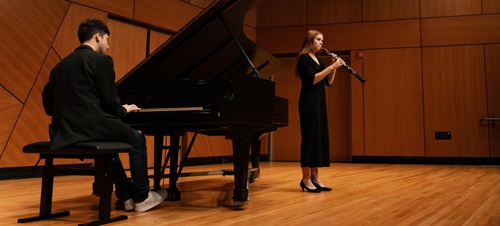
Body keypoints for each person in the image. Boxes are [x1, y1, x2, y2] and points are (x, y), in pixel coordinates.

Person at [42, 19, 167, 212]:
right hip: (92, 126)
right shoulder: (101, 61)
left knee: (110, 149)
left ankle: (126, 195)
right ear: (98, 36)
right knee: (138, 140)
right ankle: (142, 197)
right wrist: (124, 109)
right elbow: (110, 100)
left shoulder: (59, 67)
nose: (108, 45)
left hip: (64, 131)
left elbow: (49, 105)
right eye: (107, 39)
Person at [295, 30, 344, 193]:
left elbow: (328, 82)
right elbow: (312, 79)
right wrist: (332, 66)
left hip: (320, 103)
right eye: (319, 39)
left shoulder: (319, 60)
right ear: (310, 41)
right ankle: (305, 178)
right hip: (309, 102)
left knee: (319, 137)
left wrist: (334, 66)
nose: (322, 43)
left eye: (322, 40)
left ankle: (315, 177)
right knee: (309, 138)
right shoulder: (303, 59)